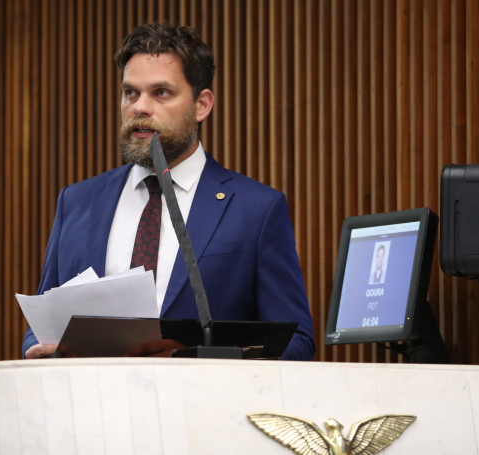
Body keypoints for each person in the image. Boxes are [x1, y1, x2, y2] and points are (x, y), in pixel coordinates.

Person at [22, 22, 315, 360]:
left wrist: (188, 359)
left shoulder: (256, 210)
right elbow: (39, 329)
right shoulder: (77, 202)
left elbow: (296, 343)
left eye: (161, 93)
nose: (139, 107)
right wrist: (40, 350)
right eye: (131, 93)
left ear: (201, 105)